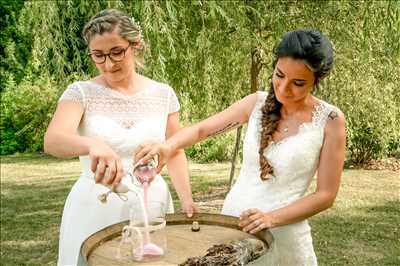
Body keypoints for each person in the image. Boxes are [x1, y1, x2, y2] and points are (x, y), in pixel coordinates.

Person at [135, 29, 346, 265]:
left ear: (318, 80)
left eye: (298, 83)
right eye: (279, 75)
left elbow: (326, 195)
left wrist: (270, 218)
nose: (284, 88)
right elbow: (201, 130)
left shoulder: (330, 120)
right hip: (233, 225)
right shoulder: (255, 102)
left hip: (285, 236)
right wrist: (167, 146)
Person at [44, 9, 197, 266]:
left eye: (117, 52)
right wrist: (92, 144)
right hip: (96, 203)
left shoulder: (163, 94)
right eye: (98, 55)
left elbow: (176, 149)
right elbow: (53, 140)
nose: (108, 63)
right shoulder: (81, 92)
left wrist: (187, 199)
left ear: (135, 45)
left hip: (152, 200)